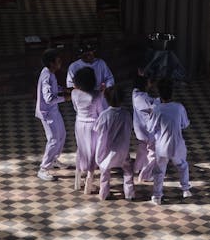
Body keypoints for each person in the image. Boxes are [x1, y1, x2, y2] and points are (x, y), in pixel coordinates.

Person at [149, 78, 192, 204]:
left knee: (159, 171)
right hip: (177, 144)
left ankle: (157, 196)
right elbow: (185, 124)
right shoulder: (179, 107)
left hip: (162, 146)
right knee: (182, 165)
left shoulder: (157, 109)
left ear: (159, 94)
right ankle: (185, 189)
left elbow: (150, 128)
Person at [93, 85, 135, 201]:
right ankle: (129, 193)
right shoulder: (126, 114)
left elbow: (97, 129)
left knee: (105, 171)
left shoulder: (104, 115)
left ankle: (104, 193)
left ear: (106, 98)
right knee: (127, 170)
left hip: (106, 149)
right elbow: (130, 127)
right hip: (122, 149)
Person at [35, 48, 70, 180]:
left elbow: (54, 89)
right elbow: (49, 98)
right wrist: (66, 98)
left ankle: (54, 159)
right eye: (58, 61)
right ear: (51, 63)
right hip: (48, 113)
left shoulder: (50, 72)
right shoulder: (47, 76)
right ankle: (43, 168)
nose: (60, 62)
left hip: (53, 111)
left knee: (62, 135)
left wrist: (64, 89)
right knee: (54, 139)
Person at [72, 65, 107, 194]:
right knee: (92, 152)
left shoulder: (74, 93)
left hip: (79, 123)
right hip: (93, 126)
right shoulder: (97, 95)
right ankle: (89, 181)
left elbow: (76, 108)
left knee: (80, 150)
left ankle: (77, 180)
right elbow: (100, 112)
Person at [131, 73, 158, 183]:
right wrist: (158, 102)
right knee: (153, 153)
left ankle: (137, 168)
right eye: (148, 82)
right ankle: (145, 175)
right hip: (147, 130)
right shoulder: (140, 98)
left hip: (141, 131)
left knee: (142, 150)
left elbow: (148, 100)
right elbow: (153, 109)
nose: (150, 84)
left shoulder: (136, 93)